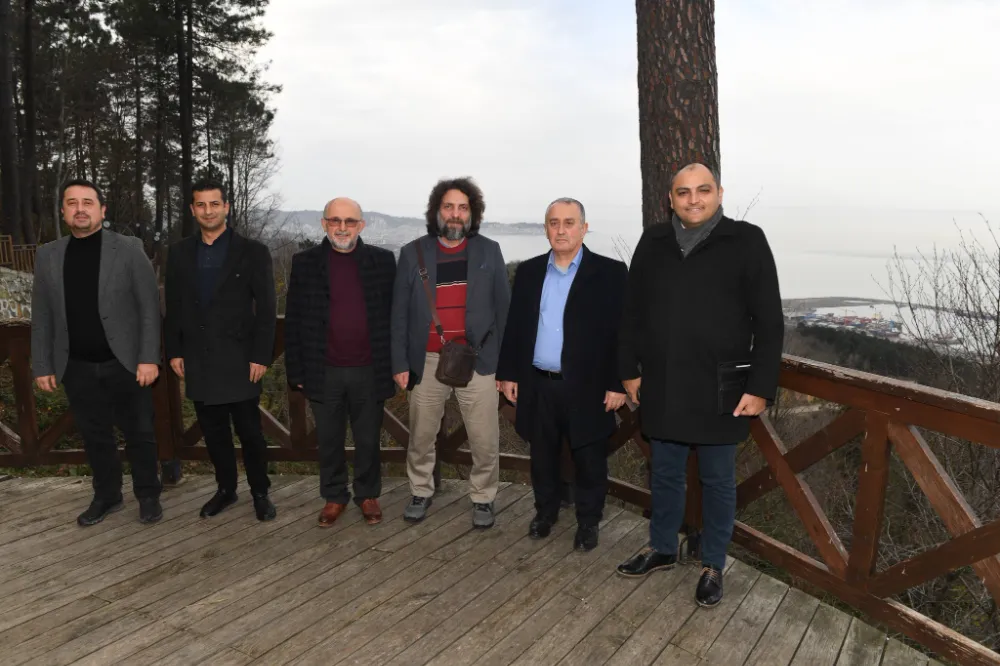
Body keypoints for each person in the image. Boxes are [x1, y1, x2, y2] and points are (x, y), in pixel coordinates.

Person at [615, 163, 784, 607]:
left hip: (720, 387)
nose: (693, 199)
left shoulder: (747, 240)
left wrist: (760, 386)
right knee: (665, 472)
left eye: (703, 190)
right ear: (670, 199)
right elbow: (631, 311)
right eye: (683, 192)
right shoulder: (654, 240)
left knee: (718, 480)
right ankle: (662, 547)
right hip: (663, 381)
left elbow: (769, 321)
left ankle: (713, 563)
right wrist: (628, 369)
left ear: (719, 194)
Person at [31, 179, 164, 526]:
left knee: (140, 433)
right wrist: (42, 364)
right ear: (63, 211)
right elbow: (41, 314)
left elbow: (149, 308)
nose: (80, 209)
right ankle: (107, 496)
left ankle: (148, 494)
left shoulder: (129, 249)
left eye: (87, 202)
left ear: (102, 210)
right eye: (72, 203)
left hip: (126, 363)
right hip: (75, 365)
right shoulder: (47, 255)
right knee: (95, 437)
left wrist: (149, 357)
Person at [497, 198, 627, 551]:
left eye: (569, 222)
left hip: (588, 386)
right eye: (554, 223)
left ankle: (588, 521)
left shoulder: (610, 273)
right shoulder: (529, 272)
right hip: (538, 383)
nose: (561, 229)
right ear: (546, 229)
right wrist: (508, 372)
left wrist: (618, 382)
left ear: (584, 228)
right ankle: (545, 512)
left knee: (589, 458)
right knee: (541, 455)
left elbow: (623, 332)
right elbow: (516, 327)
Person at [391, 177, 510, 528]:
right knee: (421, 435)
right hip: (427, 361)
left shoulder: (489, 251)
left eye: (462, 207)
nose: (455, 214)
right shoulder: (412, 253)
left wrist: (506, 367)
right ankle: (420, 490)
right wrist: (399, 362)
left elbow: (504, 311)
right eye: (448, 207)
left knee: (484, 438)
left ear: (472, 213)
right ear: (436, 212)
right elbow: (398, 314)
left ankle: (484, 496)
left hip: (480, 360)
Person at [164, 178, 278, 522]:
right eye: (201, 204)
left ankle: (260, 492)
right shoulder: (179, 253)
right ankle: (226, 490)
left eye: (214, 204)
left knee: (251, 434)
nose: (208, 211)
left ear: (226, 207)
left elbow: (267, 308)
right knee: (214, 433)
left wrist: (261, 355)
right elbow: (174, 305)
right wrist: (174, 350)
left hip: (241, 359)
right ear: (192, 209)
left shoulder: (253, 251)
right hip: (198, 357)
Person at [285, 197, 397, 527]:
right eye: (335, 220)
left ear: (361, 225)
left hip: (370, 369)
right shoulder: (305, 262)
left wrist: (398, 365)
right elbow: (293, 319)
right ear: (324, 224)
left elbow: (395, 318)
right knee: (329, 440)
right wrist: (296, 371)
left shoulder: (382, 261)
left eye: (350, 221)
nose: (342, 227)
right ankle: (334, 496)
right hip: (323, 370)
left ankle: (368, 494)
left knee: (368, 439)